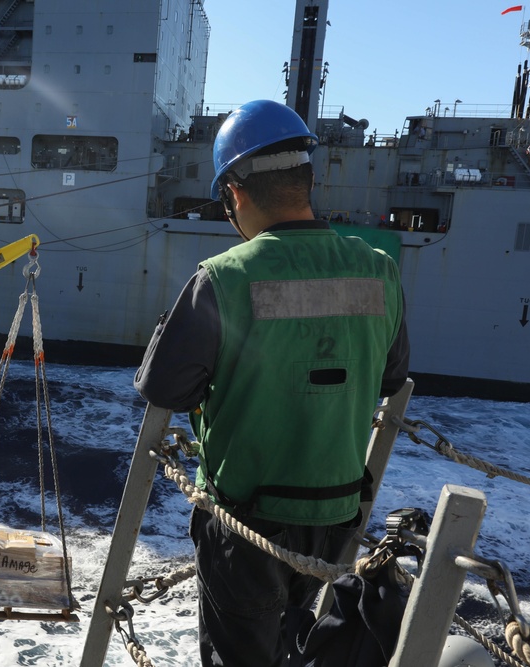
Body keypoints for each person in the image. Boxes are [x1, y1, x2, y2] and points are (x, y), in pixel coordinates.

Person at [134, 99, 410, 667]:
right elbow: (391, 374)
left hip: (247, 525)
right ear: (306, 179)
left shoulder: (223, 278)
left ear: (234, 193)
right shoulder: (379, 269)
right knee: (292, 635)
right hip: (336, 520)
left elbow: (165, 388)